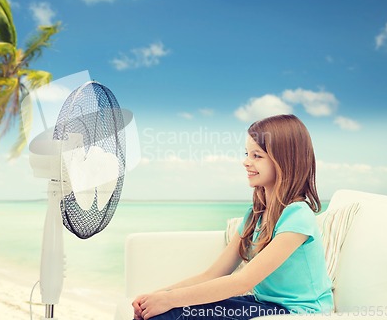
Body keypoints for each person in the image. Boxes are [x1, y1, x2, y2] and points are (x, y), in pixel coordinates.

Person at [132, 114, 333, 320]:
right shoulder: (256, 214)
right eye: (247, 154)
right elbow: (212, 274)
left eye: (257, 156)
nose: (246, 162)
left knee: (170, 314)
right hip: (263, 304)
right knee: (162, 312)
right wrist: (159, 296)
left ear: (285, 160)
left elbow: (243, 281)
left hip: (297, 312)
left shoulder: (297, 215)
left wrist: (170, 301)